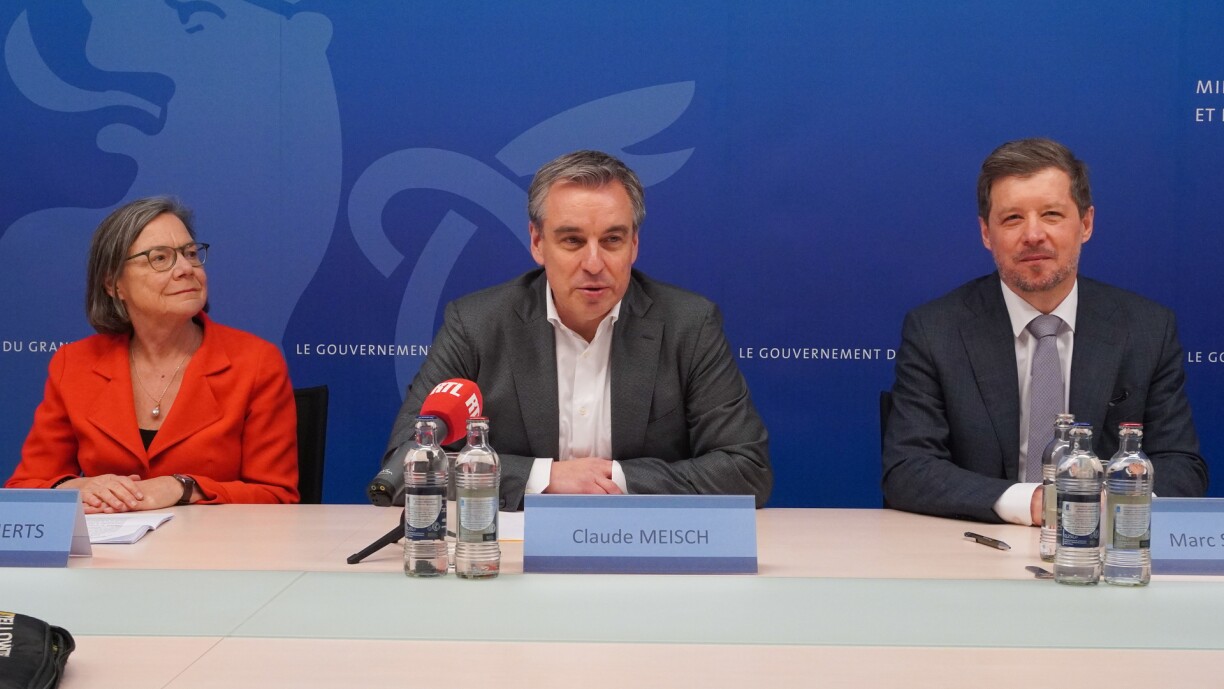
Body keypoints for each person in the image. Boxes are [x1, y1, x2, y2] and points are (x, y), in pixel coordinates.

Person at [384, 150, 771, 510]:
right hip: (515, 552)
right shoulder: (477, 324)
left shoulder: (689, 324)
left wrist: (614, 479)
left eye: (612, 240)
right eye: (572, 240)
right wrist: (544, 478)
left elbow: (746, 471)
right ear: (538, 243)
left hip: (642, 545)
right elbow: (405, 464)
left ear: (634, 245)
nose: (593, 263)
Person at [882, 138, 1208, 524]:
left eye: (1051, 214)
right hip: (977, 542)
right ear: (986, 233)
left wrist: (1114, 504)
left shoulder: (1147, 329)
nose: (1033, 234)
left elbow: (1180, 466)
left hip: (1102, 543)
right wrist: (1038, 503)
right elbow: (908, 467)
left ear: (1085, 224)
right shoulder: (935, 330)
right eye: (1012, 218)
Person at [5, 197, 299, 511]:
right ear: (114, 284)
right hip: (110, 542)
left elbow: (276, 496)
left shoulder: (255, 362)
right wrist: (80, 487)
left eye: (190, 253)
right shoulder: (74, 364)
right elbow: (25, 488)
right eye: (160, 258)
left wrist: (182, 487)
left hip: (214, 542)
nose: (186, 269)